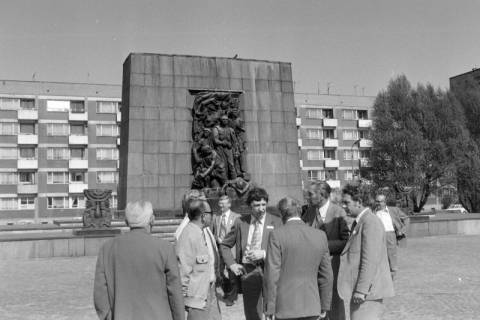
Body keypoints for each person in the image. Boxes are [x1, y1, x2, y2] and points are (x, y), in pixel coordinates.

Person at [94, 201, 184, 320]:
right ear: (152, 220)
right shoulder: (165, 248)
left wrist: (108, 316)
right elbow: (175, 293)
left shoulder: (107, 248)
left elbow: (100, 294)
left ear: (126, 221)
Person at [264, 196, 333, 320]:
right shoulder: (320, 235)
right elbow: (327, 275)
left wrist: (270, 308)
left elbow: (272, 274)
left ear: (281, 214)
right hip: (313, 306)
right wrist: (325, 305)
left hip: (284, 308)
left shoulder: (277, 235)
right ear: (300, 211)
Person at [220, 187, 283, 320]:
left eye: (264, 204)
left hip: (271, 271)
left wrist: (264, 253)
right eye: (257, 205)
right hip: (248, 272)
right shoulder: (240, 222)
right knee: (252, 313)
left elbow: (284, 248)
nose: (261, 208)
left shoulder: (277, 221)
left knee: (274, 311)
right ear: (249, 206)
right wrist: (232, 264)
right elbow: (225, 245)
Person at [338, 185, 394, 320]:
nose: (344, 206)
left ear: (359, 201)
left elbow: (370, 260)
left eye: (347, 202)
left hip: (368, 294)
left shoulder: (370, 222)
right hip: (363, 294)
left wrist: (362, 290)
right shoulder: (362, 221)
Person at [301, 181, 350, 320]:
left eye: (310, 194)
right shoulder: (309, 212)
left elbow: (346, 241)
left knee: (334, 300)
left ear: (321, 195)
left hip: (332, 265)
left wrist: (322, 246)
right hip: (311, 267)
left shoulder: (338, 212)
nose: (307, 198)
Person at [176, 200, 221, 320]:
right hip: (196, 299)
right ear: (203, 216)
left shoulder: (199, 232)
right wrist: (184, 299)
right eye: (211, 213)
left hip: (207, 292)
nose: (213, 216)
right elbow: (183, 270)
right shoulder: (189, 235)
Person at [211, 195, 241, 306]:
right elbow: (213, 233)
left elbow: (239, 234)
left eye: (223, 203)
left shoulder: (237, 217)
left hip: (231, 250)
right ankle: (227, 291)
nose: (221, 205)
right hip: (219, 250)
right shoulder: (216, 217)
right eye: (220, 203)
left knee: (232, 274)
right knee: (220, 273)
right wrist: (216, 238)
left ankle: (231, 297)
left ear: (229, 204)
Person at [374, 194, 408, 280]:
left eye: (380, 201)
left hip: (390, 235)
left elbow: (406, 218)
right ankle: (381, 276)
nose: (378, 203)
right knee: (379, 256)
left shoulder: (394, 210)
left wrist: (402, 231)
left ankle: (392, 275)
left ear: (385, 202)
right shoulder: (373, 212)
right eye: (377, 201)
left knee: (391, 255)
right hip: (377, 236)